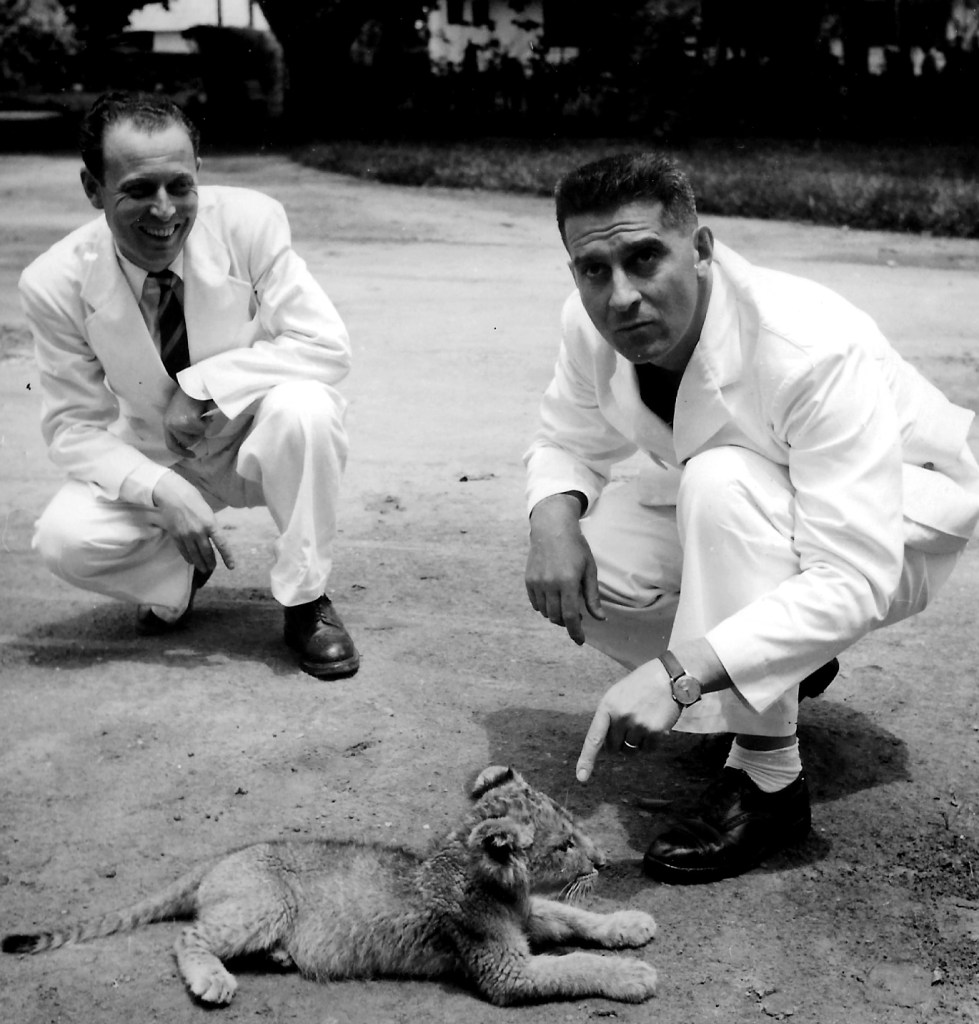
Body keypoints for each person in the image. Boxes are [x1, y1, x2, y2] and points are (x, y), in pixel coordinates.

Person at [524, 152, 979, 884]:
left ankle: (770, 780)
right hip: (768, 511)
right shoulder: (590, 321)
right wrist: (551, 520)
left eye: (645, 258)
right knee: (601, 564)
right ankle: (781, 660)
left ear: (701, 249)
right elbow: (566, 439)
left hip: (893, 530)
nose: (621, 296)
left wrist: (678, 674)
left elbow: (852, 578)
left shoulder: (807, 344)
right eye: (593, 269)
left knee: (720, 478)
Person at [22, 91, 359, 680]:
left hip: (254, 437)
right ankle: (181, 571)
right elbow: (73, 428)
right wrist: (162, 490)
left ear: (199, 171)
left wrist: (204, 387)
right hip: (163, 455)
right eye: (137, 190)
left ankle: (306, 600)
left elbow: (325, 343)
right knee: (64, 539)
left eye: (180, 186)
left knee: (305, 408)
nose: (164, 211)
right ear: (93, 188)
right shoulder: (53, 281)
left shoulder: (250, 222)